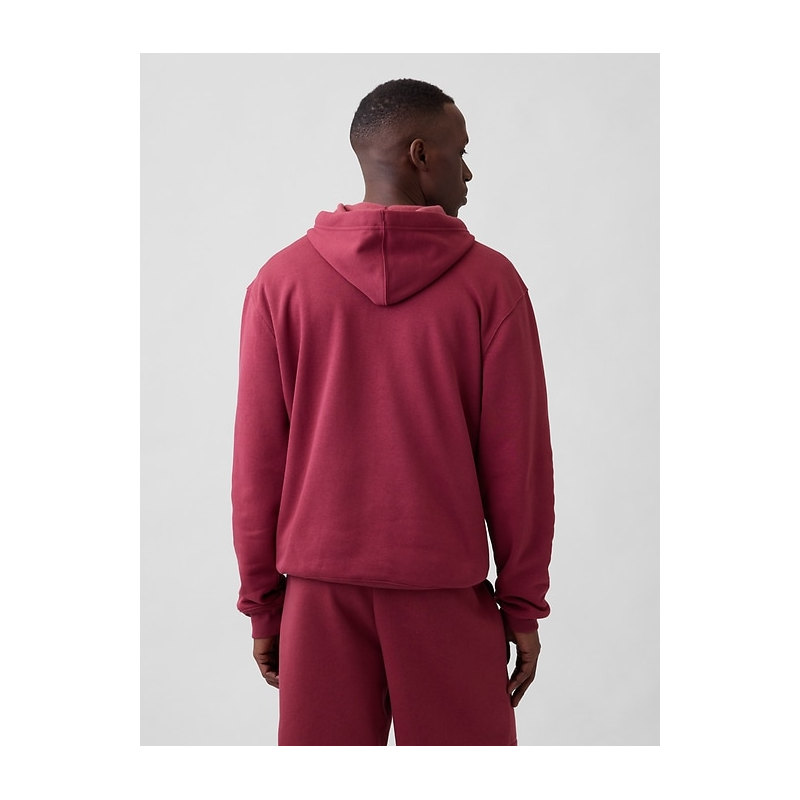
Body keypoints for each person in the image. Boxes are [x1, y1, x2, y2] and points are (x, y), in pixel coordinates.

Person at [231, 78, 555, 746]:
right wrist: (522, 604)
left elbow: (257, 463)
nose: (469, 172)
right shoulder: (491, 286)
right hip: (446, 594)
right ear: (420, 155)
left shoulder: (281, 283)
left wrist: (264, 604)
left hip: (318, 597)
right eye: (460, 152)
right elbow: (517, 466)